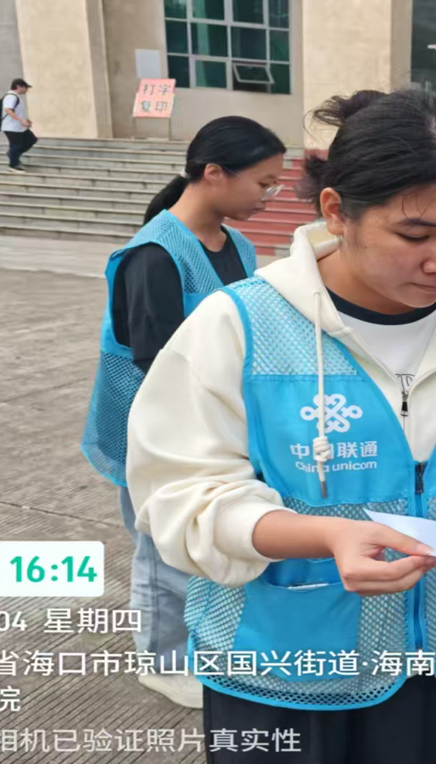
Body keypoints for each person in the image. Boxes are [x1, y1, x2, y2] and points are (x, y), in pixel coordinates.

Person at [124, 89, 436, 764]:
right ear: (336, 211)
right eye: (415, 236)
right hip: (275, 663)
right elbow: (181, 497)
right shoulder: (240, 326)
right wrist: (322, 536)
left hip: (427, 662)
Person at [81, 116, 287, 709]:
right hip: (157, 427)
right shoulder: (154, 255)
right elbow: (158, 364)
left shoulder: (237, 245)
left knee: (201, 541)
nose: (269, 196)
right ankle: (162, 658)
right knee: (161, 544)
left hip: (214, 421)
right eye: (263, 183)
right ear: (214, 173)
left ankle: (198, 643)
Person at [1, 78, 36, 173]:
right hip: (11, 127)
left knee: (31, 139)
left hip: (18, 127)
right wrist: (21, 120)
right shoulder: (11, 96)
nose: (26, 90)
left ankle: (13, 155)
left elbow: (18, 111)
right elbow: (8, 109)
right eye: (25, 87)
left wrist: (25, 120)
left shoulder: (16, 96)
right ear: (18, 86)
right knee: (17, 146)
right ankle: (13, 165)